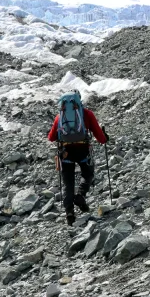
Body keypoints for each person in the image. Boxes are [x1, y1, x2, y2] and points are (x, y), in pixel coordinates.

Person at [47, 93, 108, 226]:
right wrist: (104, 138)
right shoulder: (87, 114)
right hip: (83, 149)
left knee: (68, 182)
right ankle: (80, 196)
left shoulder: (60, 116)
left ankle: (69, 212)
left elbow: (51, 137)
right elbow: (99, 135)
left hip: (65, 152)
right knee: (87, 173)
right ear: (78, 102)